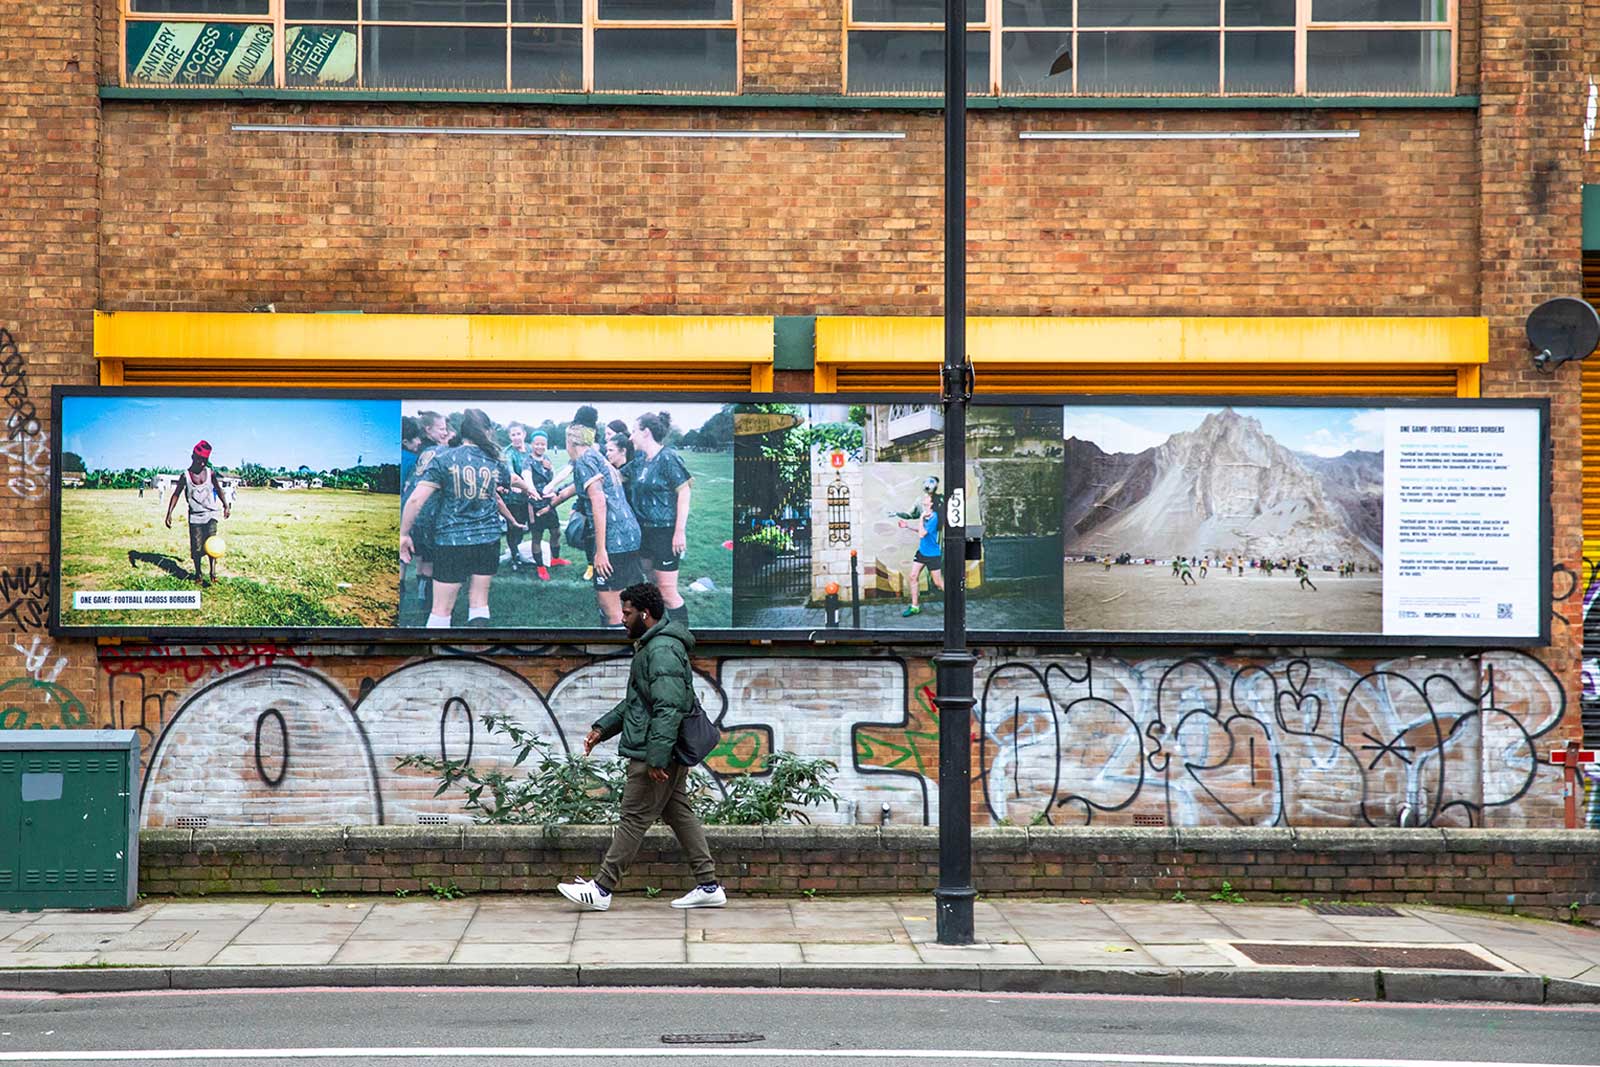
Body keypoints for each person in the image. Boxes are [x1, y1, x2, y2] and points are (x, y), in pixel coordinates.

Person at [557, 582, 723, 912]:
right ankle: (709, 885)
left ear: (645, 614)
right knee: (678, 812)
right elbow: (638, 703)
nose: (622, 618)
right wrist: (602, 729)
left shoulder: (660, 650)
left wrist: (657, 758)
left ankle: (602, 889)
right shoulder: (652, 647)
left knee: (633, 817)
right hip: (662, 747)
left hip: (657, 750)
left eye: (627, 613)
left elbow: (668, 707)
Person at [400, 408, 523, 628]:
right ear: (485, 431)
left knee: (440, 610)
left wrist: (403, 534)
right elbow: (509, 481)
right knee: (479, 603)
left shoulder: (444, 458)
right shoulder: (495, 460)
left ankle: (436, 659)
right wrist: (530, 489)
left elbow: (416, 500)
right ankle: (478, 656)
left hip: (451, 542)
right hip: (488, 540)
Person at [547, 407, 645, 627]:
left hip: (613, 541)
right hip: (629, 535)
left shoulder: (583, 461)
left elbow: (598, 502)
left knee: (610, 608)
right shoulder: (595, 456)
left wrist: (601, 551)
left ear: (570, 441)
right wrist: (552, 502)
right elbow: (579, 486)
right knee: (625, 600)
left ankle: (617, 658)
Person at [630, 411, 694, 623]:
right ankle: (659, 629)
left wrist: (679, 532)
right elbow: (617, 474)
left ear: (646, 432)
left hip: (665, 532)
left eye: (633, 431)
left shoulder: (668, 457)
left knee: (667, 591)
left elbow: (684, 492)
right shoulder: (640, 459)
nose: (631, 437)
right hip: (644, 531)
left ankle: (682, 638)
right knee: (651, 583)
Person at [164, 439, 231, 586]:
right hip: (195, 516)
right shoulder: (185, 476)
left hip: (211, 513)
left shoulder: (210, 473)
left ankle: (213, 573)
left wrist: (226, 505)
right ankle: (198, 574)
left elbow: (218, 489)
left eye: (205, 460)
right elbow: (176, 494)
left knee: (212, 543)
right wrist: (169, 513)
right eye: (200, 460)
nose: (202, 464)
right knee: (197, 548)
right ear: (193, 457)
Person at [404, 410, 452, 609]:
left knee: (423, 558)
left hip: (417, 514)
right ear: (428, 429)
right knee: (431, 561)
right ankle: (428, 605)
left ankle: (421, 597)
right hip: (430, 513)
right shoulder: (439, 451)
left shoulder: (422, 451)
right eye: (441, 429)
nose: (445, 432)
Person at [517, 429, 569, 581]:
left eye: (543, 444)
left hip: (550, 502)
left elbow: (551, 478)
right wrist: (532, 491)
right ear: (531, 444)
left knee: (556, 532)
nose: (540, 447)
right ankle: (540, 566)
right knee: (537, 537)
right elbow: (526, 477)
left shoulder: (546, 458)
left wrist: (550, 468)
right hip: (535, 504)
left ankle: (555, 559)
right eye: (537, 444)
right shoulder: (527, 461)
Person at [897, 489, 944, 617]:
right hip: (922, 552)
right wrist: (907, 526)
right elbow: (921, 530)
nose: (925, 497)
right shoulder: (927, 514)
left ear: (931, 502)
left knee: (938, 583)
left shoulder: (934, 517)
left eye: (927, 497)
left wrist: (922, 518)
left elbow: (922, 533)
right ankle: (915, 606)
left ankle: (955, 600)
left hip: (933, 555)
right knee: (913, 576)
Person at [503, 422, 535, 574]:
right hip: (514, 498)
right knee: (514, 527)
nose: (516, 437)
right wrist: (522, 487)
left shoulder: (530, 448)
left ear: (524, 434)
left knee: (528, 527)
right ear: (509, 436)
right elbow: (511, 475)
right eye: (512, 434)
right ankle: (515, 556)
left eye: (518, 434)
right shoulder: (508, 453)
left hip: (530, 496)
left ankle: (520, 551)